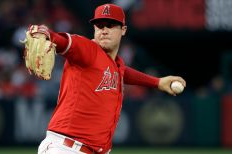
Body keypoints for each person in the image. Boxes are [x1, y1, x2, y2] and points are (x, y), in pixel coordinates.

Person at [36, 3, 186, 154]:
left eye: (110, 25)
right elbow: (64, 42)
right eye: (99, 26)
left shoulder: (115, 64)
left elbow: (122, 72)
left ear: (123, 30)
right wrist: (46, 34)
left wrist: (157, 82)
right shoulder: (87, 49)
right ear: (94, 29)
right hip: (66, 148)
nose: (104, 30)